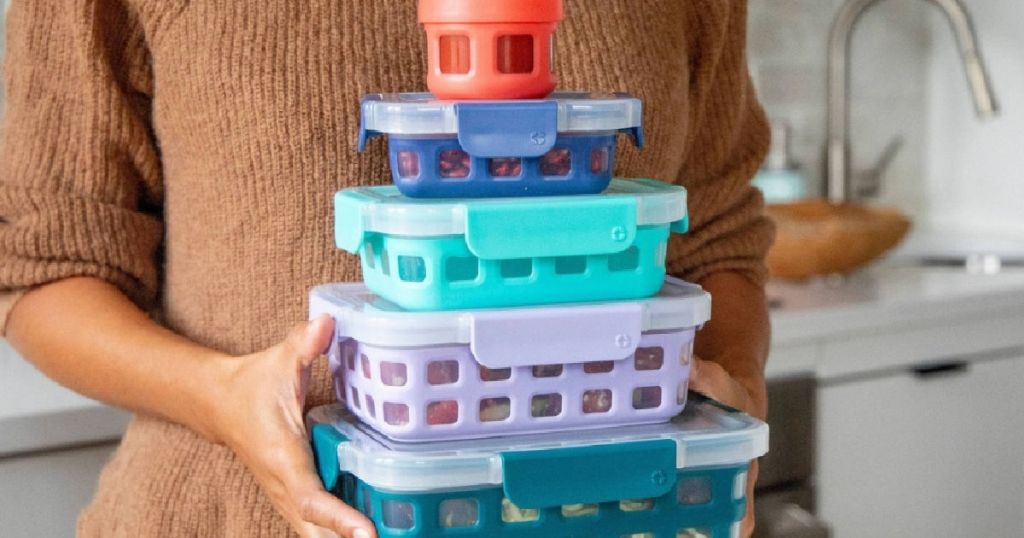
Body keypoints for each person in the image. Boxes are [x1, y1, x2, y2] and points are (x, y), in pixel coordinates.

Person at [0, 1, 773, 537]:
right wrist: (223, 397)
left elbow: (717, 238)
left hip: (615, 508)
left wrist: (734, 399)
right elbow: (43, 268)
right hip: (229, 517)